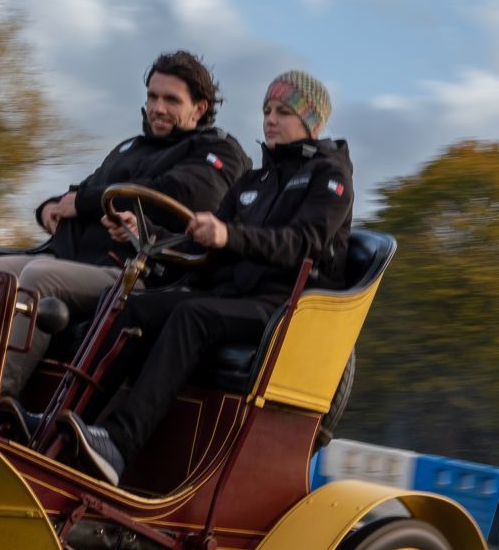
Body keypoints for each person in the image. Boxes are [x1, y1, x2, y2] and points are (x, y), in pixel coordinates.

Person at [64, 70, 351, 486]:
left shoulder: (330, 176)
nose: (270, 119)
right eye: (267, 110)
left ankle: (119, 445)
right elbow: (204, 248)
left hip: (287, 307)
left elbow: (303, 243)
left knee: (192, 317)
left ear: (314, 123)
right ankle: (68, 422)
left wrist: (228, 234)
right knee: (133, 306)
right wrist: (146, 233)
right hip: (234, 295)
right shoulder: (254, 181)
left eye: (283, 112)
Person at [0, 51, 249, 398]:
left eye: (171, 100)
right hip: (67, 255)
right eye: (152, 97)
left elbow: (180, 194)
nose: (158, 107)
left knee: (40, 278)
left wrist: (84, 203)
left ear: (200, 108)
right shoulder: (130, 148)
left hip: (135, 272)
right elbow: (82, 190)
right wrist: (50, 208)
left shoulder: (217, 150)